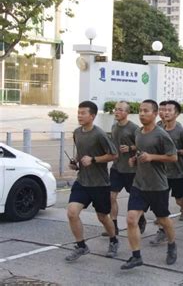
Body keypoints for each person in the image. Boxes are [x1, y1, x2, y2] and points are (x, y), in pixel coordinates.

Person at [121, 100, 178, 269]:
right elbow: (140, 153)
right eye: (140, 110)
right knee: (131, 219)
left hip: (157, 186)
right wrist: (134, 159)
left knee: (163, 220)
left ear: (154, 114)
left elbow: (173, 157)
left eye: (146, 111)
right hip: (139, 184)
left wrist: (153, 157)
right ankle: (136, 256)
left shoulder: (161, 135)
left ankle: (172, 244)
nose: (142, 113)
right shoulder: (138, 132)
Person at [65, 101, 119, 262]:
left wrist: (94, 159)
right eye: (78, 112)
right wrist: (75, 162)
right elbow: (80, 153)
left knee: (103, 217)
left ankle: (114, 240)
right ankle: (81, 246)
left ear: (92, 116)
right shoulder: (77, 132)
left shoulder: (100, 134)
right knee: (72, 212)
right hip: (82, 181)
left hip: (100, 183)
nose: (79, 116)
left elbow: (114, 155)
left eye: (83, 113)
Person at [150, 100, 183, 245]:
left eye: (169, 110)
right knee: (160, 203)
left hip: (177, 172)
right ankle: (162, 231)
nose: (165, 112)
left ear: (176, 114)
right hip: (160, 173)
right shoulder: (158, 127)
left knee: (180, 200)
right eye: (163, 109)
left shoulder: (181, 131)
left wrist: (177, 152)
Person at [105, 101, 145, 237]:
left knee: (134, 198)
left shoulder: (134, 128)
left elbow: (142, 146)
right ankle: (114, 226)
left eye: (120, 110)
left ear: (127, 113)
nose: (117, 112)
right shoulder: (114, 126)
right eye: (116, 110)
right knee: (111, 197)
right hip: (116, 168)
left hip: (131, 170)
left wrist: (130, 148)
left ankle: (141, 218)